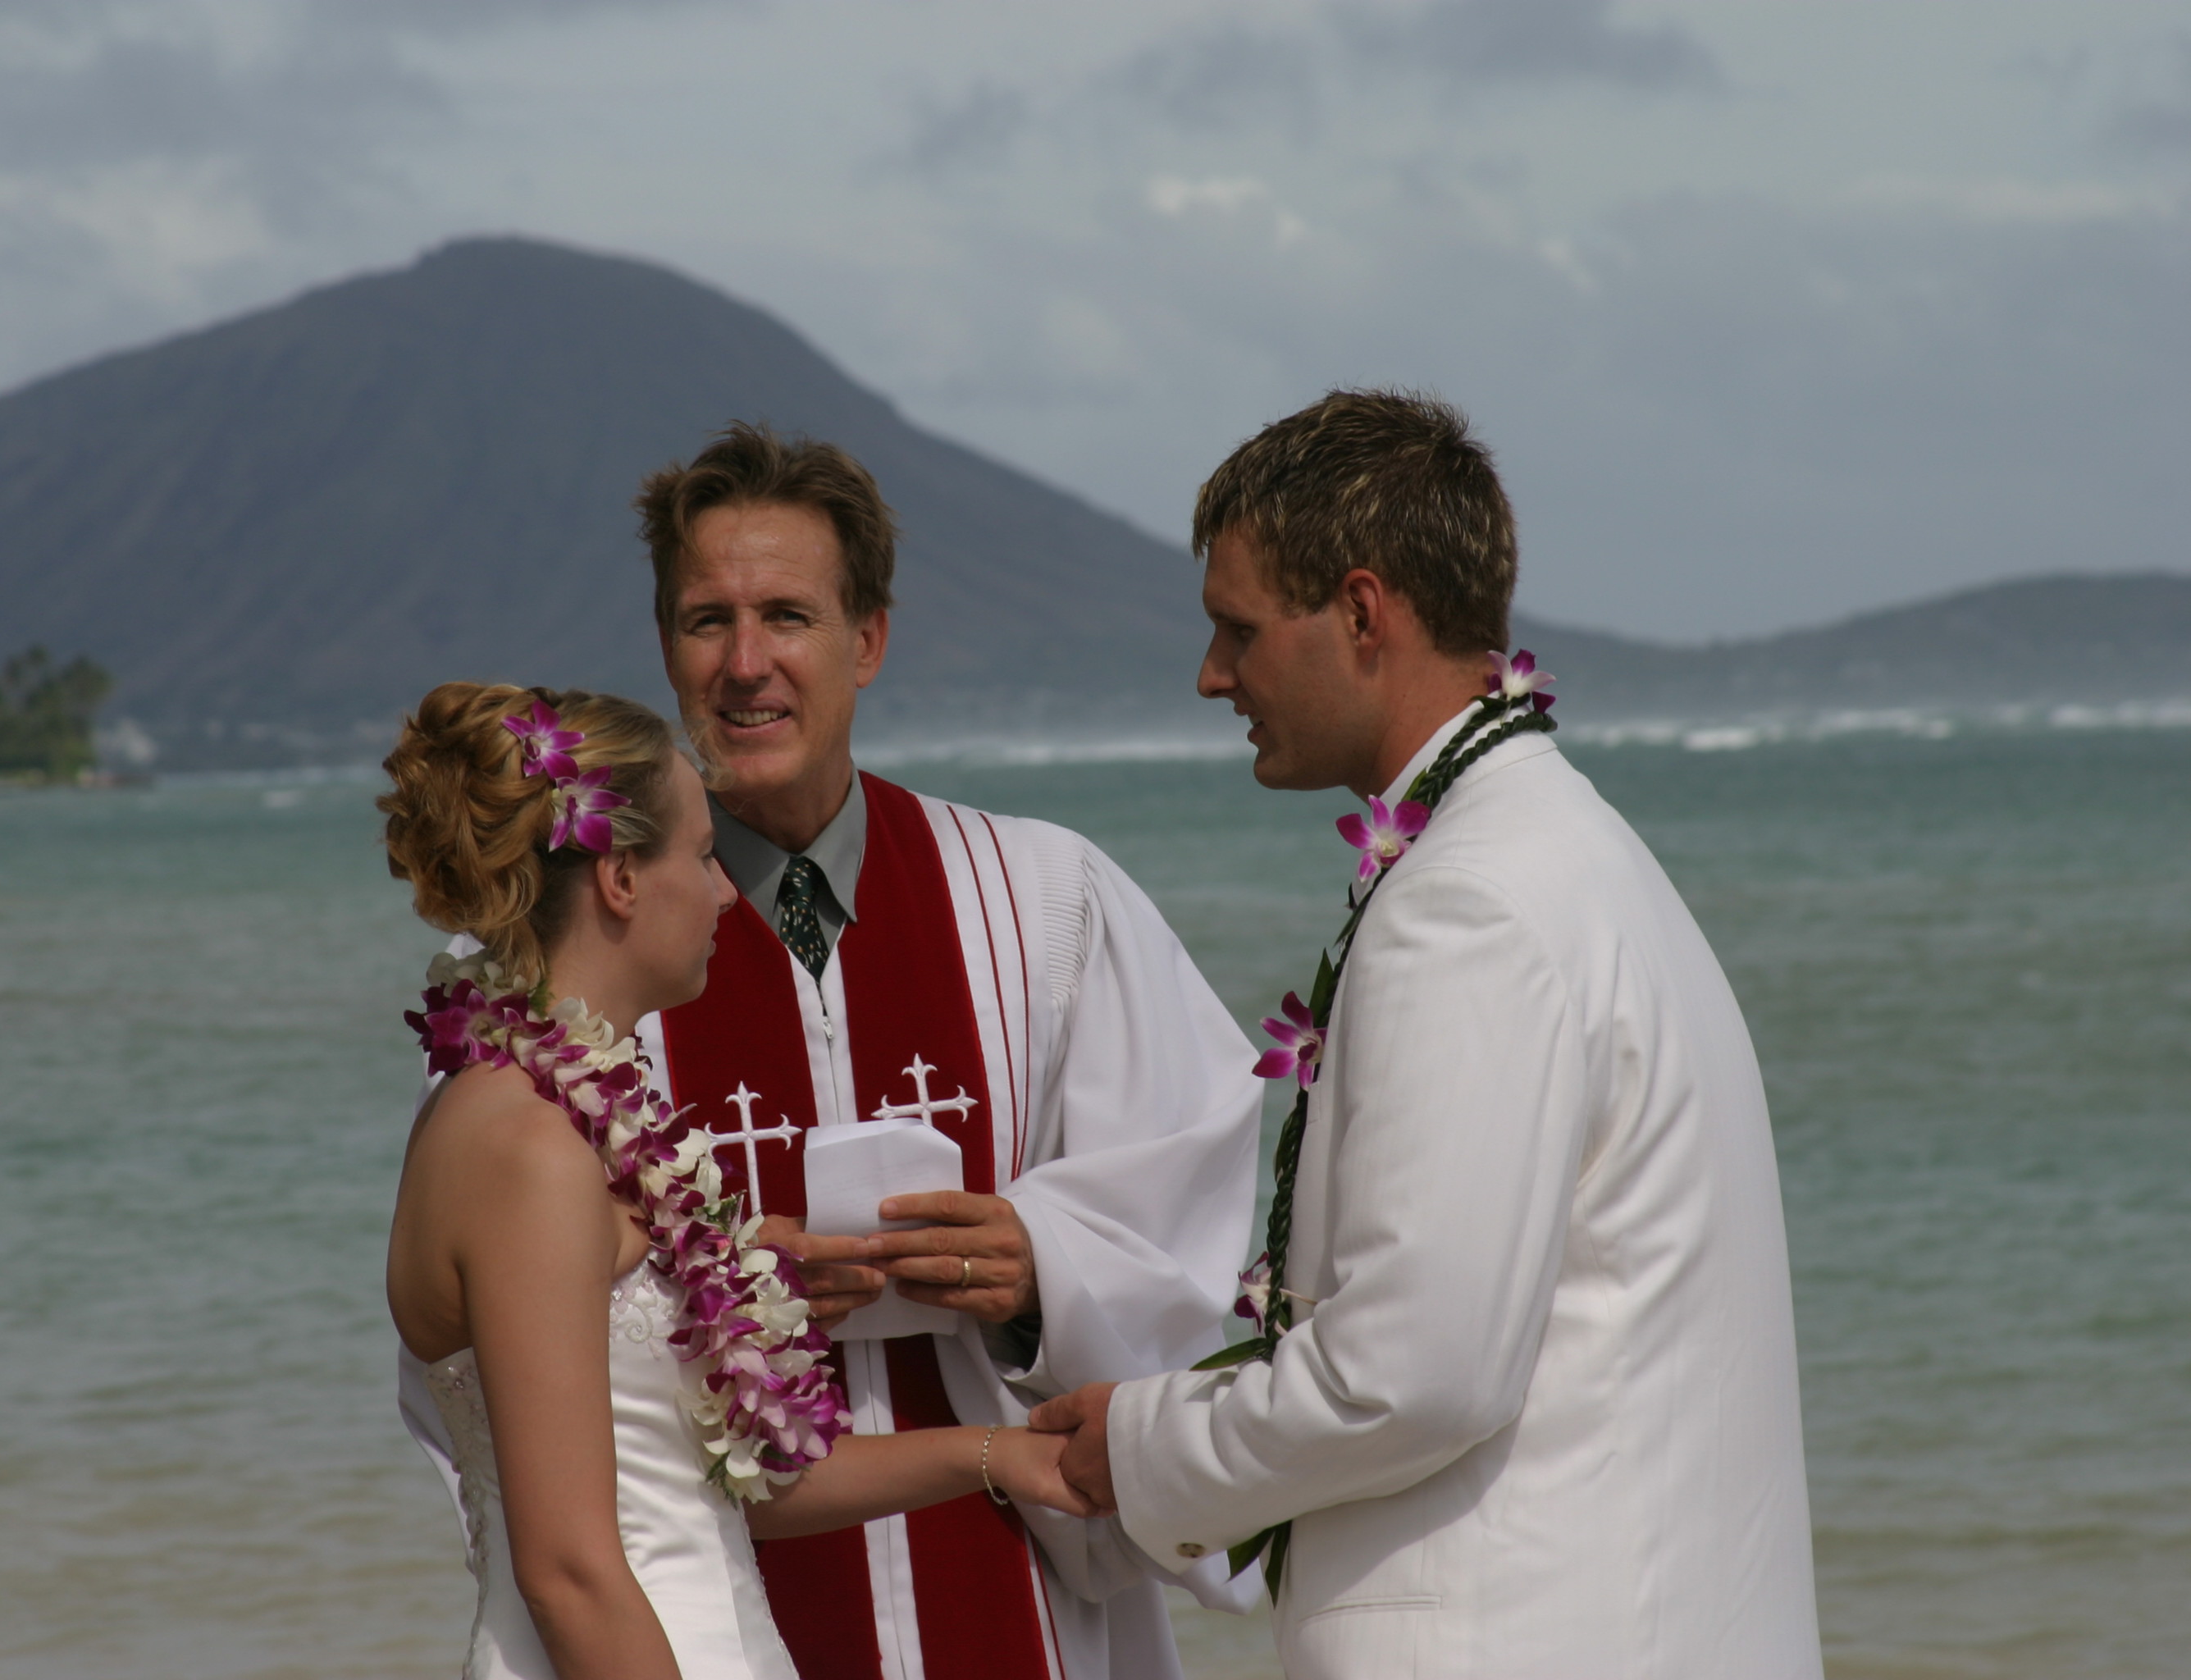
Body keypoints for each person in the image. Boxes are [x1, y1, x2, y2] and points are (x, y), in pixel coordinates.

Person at [1031, 390, 1824, 1678]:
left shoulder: (1469, 905)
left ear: (1362, 613)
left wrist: (1137, 1446)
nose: (1213, 675)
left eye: (1240, 629)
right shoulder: (1578, 855)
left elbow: (1414, 1373)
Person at [631, 424, 1265, 1680]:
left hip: (1014, 1573)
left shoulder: (1041, 901)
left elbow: (1190, 1198)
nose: (747, 664)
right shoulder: (594, 944)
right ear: (666, 646)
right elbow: (507, 1307)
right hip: (727, 1612)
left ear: (868, 640)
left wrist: (1040, 1267)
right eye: (708, 621)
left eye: (789, 616)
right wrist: (709, 1300)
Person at [380, 682, 1096, 1680]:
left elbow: (706, 1484)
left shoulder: (577, 1116)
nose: (726, 892)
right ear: (621, 876)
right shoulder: (527, 1149)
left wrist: (997, 1453)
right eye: (705, 853)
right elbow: (569, 1571)